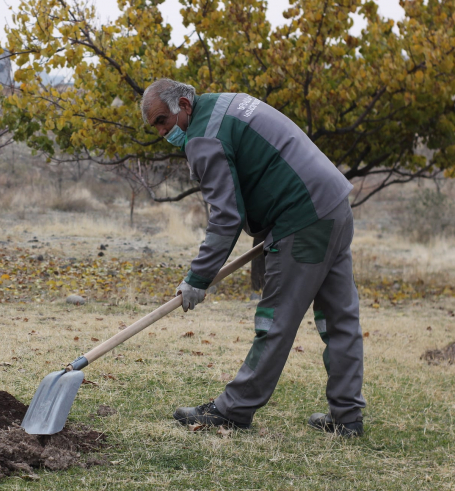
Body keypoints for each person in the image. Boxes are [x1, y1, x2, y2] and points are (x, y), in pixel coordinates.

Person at [140, 79, 366, 437]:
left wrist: (197, 278)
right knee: (339, 318)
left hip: (303, 218)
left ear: (184, 104)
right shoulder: (227, 103)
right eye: (155, 127)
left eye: (162, 121)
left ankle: (233, 410)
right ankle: (347, 416)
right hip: (334, 203)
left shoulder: (203, 136)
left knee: (275, 320)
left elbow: (226, 216)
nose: (162, 132)